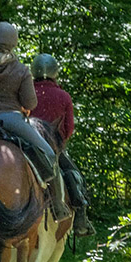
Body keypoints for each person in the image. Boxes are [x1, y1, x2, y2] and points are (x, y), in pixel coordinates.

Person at [0, 22, 70, 221]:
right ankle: (58, 205)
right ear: (13, 45)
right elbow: (30, 103)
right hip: (11, 121)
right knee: (49, 153)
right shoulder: (20, 70)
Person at [29, 54, 95, 237]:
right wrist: (60, 144)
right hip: (51, 148)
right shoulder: (63, 96)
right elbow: (68, 128)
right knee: (73, 174)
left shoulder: (26, 91)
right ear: (55, 72)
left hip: (23, 145)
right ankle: (81, 218)